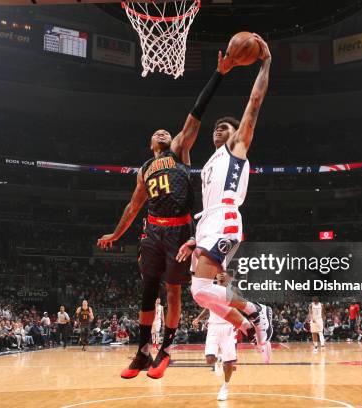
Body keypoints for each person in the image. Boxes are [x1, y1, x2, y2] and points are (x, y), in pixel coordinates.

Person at [97, 51, 236, 379]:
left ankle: (166, 349)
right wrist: (116, 235)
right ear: (150, 145)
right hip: (153, 231)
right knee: (148, 289)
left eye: (165, 131)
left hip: (179, 231)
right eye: (156, 133)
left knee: (173, 290)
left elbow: (196, 112)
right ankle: (142, 350)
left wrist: (218, 72)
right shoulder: (144, 169)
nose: (162, 133)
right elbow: (133, 207)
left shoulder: (179, 151)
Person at [183, 34, 274, 363]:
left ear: (236, 134)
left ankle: (256, 311)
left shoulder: (236, 149)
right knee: (200, 292)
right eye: (216, 127)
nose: (217, 130)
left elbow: (254, 104)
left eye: (224, 127)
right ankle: (247, 325)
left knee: (203, 290)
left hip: (225, 217)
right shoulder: (209, 162)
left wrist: (265, 63)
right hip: (208, 222)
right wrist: (194, 240)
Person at [192, 272, 237, 401]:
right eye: (219, 274)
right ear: (216, 277)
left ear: (229, 278)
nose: (221, 276)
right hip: (213, 326)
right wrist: (198, 318)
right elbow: (207, 308)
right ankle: (218, 360)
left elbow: (239, 309)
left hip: (228, 327)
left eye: (225, 275)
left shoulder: (233, 291)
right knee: (209, 359)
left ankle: (225, 387)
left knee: (229, 362)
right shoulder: (210, 289)